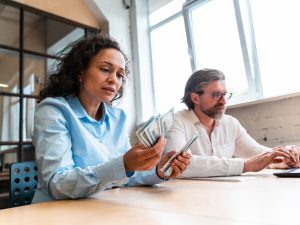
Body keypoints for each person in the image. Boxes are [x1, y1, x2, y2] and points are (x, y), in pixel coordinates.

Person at [32, 36, 191, 203]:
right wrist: (124, 165)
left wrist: (159, 170)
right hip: (55, 213)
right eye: (105, 69)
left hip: (100, 209)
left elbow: (129, 175)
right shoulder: (53, 110)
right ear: (80, 72)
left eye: (120, 74)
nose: (114, 80)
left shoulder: (117, 117)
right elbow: (59, 184)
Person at [165, 68, 299, 177]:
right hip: (185, 198)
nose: (224, 101)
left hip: (224, 196)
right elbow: (179, 166)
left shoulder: (230, 123)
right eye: (216, 95)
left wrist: (284, 156)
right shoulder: (176, 122)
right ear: (195, 98)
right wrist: (246, 165)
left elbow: (256, 153)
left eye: (225, 94)